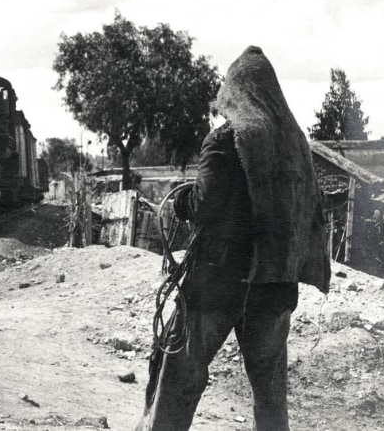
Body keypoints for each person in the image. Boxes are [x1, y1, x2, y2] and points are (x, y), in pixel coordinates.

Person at [135, 46, 331, 431]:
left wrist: (183, 203)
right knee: (270, 390)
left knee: (180, 376)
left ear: (234, 93)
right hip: (275, 287)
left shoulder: (226, 138)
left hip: (218, 282)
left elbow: (204, 205)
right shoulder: (295, 144)